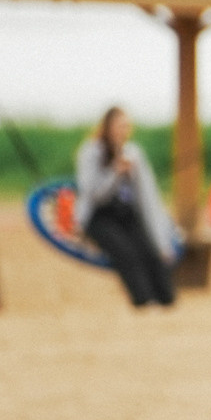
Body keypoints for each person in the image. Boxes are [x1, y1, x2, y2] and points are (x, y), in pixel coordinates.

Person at [74, 107, 177, 308]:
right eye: (120, 125)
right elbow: (93, 195)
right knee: (127, 254)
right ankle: (143, 301)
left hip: (127, 215)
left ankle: (164, 297)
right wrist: (115, 172)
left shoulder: (133, 153)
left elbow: (148, 197)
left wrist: (161, 240)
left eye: (127, 126)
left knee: (150, 253)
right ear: (108, 126)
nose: (124, 130)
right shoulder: (91, 151)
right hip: (99, 216)